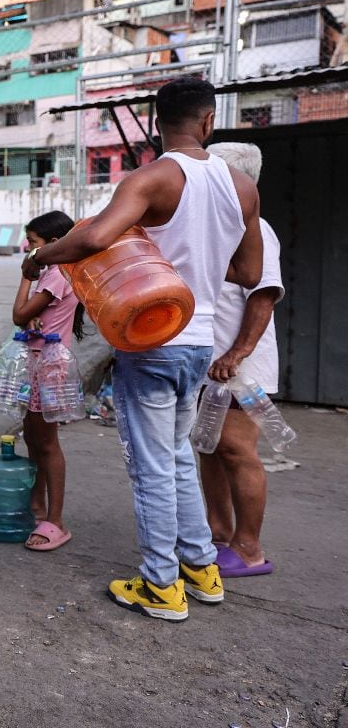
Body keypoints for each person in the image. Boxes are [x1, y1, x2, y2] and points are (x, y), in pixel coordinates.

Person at [21, 77, 263, 622]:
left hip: (151, 337)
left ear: (158, 122)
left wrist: (41, 259)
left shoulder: (153, 177)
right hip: (201, 338)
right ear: (209, 121)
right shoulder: (241, 187)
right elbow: (248, 271)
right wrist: (200, 256)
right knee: (177, 454)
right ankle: (201, 569)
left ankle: (160, 584)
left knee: (152, 465)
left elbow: (92, 238)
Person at [199, 142, 284, 578]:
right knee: (209, 449)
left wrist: (237, 353)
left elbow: (264, 296)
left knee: (235, 450)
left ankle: (249, 548)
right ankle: (218, 535)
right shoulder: (219, 227)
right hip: (208, 364)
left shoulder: (257, 229)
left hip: (238, 366)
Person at [10, 211, 85, 552]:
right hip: (37, 364)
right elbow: (31, 321)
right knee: (33, 438)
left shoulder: (56, 274)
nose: (29, 249)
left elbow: (19, 314)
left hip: (48, 369)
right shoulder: (54, 274)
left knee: (48, 444)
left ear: (55, 245)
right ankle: (37, 506)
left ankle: (55, 520)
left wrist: (27, 274)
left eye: (34, 243)